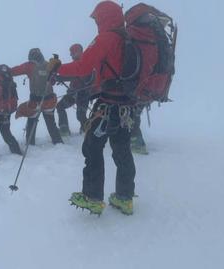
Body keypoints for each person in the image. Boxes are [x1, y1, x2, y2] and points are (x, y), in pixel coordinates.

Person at [49, 1, 136, 215]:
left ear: (104, 17)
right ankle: (125, 198)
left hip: (108, 106)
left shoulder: (106, 38)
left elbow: (83, 65)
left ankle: (92, 196)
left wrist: (58, 68)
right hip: (126, 106)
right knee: (122, 150)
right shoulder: (127, 38)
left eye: (97, 19)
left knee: (92, 146)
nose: (96, 23)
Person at [11, 48, 63, 145]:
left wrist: (2, 70)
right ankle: (58, 142)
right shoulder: (49, 65)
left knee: (31, 120)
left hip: (35, 101)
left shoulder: (29, 66)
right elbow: (53, 81)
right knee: (51, 122)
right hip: (50, 100)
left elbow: (13, 71)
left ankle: (30, 144)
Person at [55, 44, 91, 136]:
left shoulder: (83, 63)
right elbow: (72, 75)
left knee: (80, 115)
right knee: (61, 107)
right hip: (74, 93)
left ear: (77, 52)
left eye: (72, 53)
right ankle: (66, 128)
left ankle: (87, 129)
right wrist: (60, 78)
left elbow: (75, 75)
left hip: (83, 93)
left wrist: (60, 77)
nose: (70, 55)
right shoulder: (80, 62)